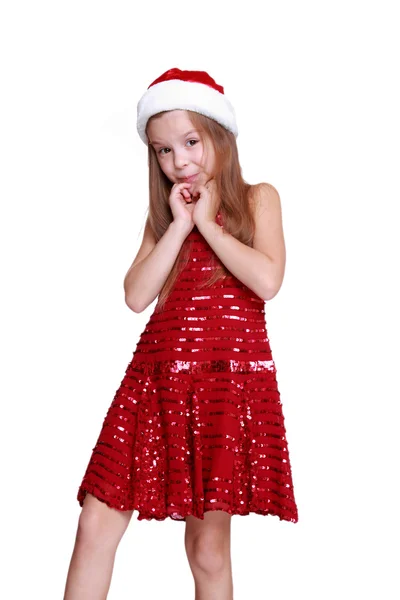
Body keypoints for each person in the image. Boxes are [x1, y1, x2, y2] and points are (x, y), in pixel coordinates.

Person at [64, 67, 299, 600]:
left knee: (207, 551)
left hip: (220, 386)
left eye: (190, 142)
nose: (179, 161)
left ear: (220, 135)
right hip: (154, 384)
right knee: (95, 526)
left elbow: (267, 280)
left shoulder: (258, 199)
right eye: (163, 150)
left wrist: (212, 225)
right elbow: (135, 294)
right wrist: (179, 226)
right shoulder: (164, 218)